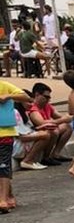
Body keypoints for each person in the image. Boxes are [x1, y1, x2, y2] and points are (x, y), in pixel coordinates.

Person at [0, 79, 33, 212]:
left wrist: (8, 96)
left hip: (4, 133)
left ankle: (2, 199)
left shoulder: (3, 85)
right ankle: (9, 194)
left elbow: (26, 97)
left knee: (3, 165)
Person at [26, 82, 72, 166]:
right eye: (46, 97)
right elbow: (42, 123)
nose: (48, 99)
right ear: (37, 95)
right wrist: (62, 120)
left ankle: (56, 154)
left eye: (49, 97)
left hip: (47, 130)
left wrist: (69, 116)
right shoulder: (33, 109)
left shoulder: (47, 106)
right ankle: (45, 157)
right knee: (53, 130)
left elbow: (59, 116)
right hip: (37, 132)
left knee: (66, 127)